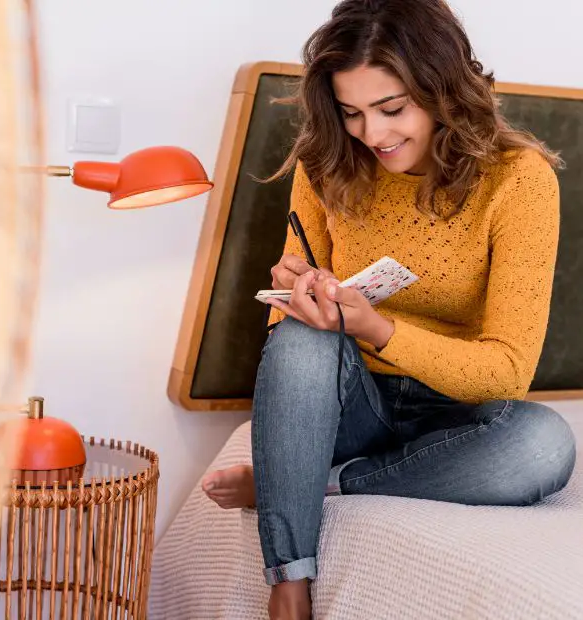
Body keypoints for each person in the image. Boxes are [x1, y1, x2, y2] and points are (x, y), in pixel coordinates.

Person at [202, 0, 577, 618]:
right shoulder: (325, 165)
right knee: (299, 336)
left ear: (443, 90)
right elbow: (289, 350)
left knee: (543, 446)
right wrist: (298, 298)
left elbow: (508, 373)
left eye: (392, 109)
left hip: (460, 411)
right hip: (354, 402)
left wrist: (375, 325)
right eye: (351, 113)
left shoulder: (519, 180)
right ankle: (289, 579)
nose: (372, 134)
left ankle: (311, 483)